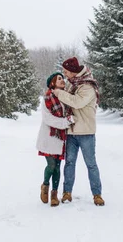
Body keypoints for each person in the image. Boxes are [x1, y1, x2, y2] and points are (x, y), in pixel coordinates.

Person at [52, 57, 105, 206]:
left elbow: (77, 102)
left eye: (66, 71)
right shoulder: (72, 84)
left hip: (86, 132)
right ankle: (67, 193)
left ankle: (97, 194)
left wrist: (59, 93)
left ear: (74, 72)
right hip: (71, 132)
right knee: (69, 163)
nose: (64, 74)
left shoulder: (87, 86)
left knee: (91, 164)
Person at [36, 72, 74, 207]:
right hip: (49, 136)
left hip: (61, 138)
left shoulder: (65, 97)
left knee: (58, 167)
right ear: (52, 83)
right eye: (59, 79)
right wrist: (66, 121)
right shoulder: (47, 98)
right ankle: (45, 186)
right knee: (51, 165)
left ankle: (54, 193)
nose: (62, 80)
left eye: (62, 78)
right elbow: (48, 119)